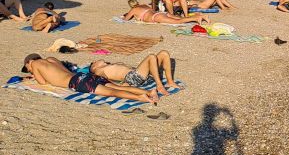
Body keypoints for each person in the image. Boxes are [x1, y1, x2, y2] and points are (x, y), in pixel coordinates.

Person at [20, 55, 157, 104]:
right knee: (118, 87)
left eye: (28, 67)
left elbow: (43, 82)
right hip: (83, 76)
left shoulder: (35, 64)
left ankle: (141, 98)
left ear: (30, 61)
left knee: (111, 92)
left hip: (76, 82)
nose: (29, 69)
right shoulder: (51, 59)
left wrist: (33, 74)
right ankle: (150, 92)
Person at [88, 50, 179, 97]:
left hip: (142, 74)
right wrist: (121, 86)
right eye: (93, 62)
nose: (95, 60)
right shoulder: (98, 71)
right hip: (133, 77)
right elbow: (103, 81)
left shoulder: (107, 66)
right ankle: (159, 85)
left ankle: (170, 82)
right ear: (94, 67)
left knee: (164, 53)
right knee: (151, 56)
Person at [122, 0, 207, 25]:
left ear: (131, 6)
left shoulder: (133, 10)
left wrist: (126, 15)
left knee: (178, 22)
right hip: (161, 13)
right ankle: (199, 16)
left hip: (156, 17)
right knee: (181, 18)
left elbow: (126, 19)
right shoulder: (144, 5)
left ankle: (196, 18)